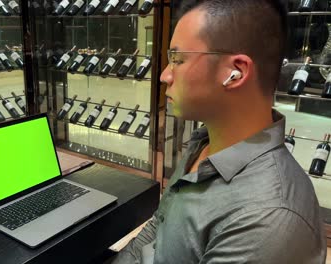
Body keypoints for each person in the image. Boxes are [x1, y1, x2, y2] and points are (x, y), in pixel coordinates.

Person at [112, 0, 326, 263]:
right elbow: (159, 227)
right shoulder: (206, 144)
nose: (165, 75)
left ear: (235, 73)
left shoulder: (266, 219)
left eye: (177, 59)